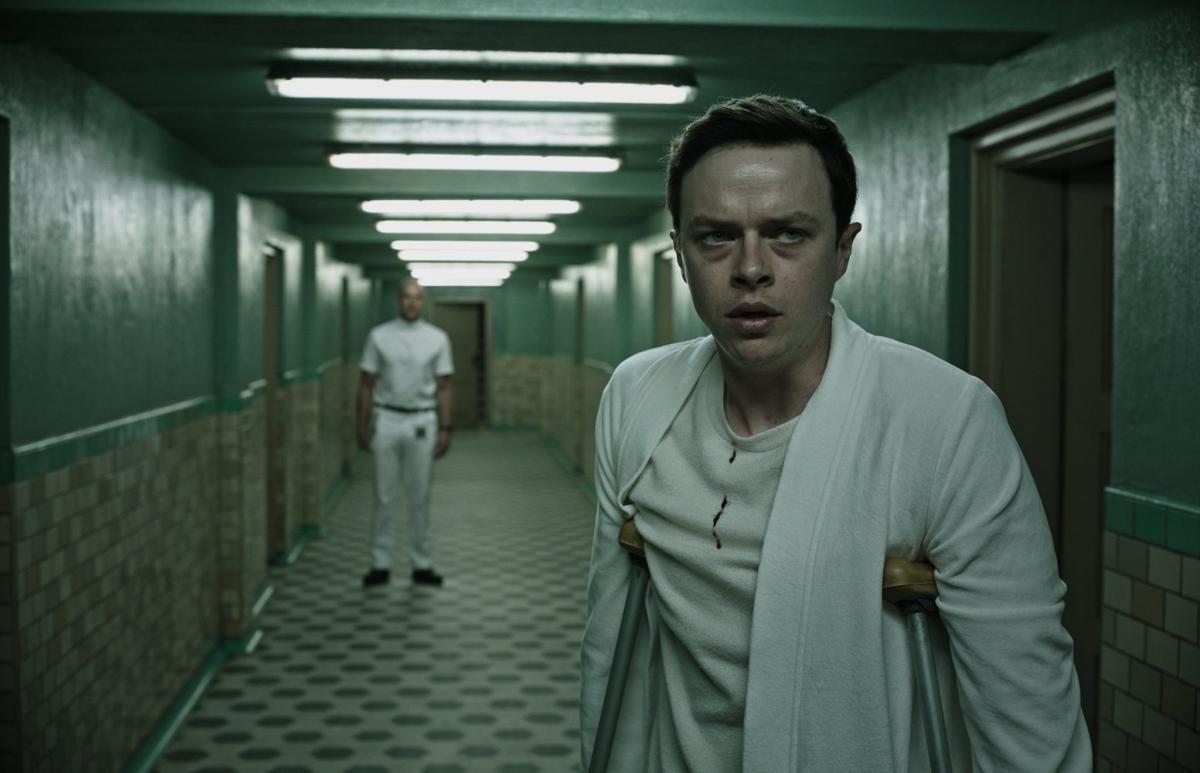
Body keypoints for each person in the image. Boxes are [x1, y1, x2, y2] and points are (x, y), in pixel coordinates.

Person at [579, 95, 1092, 771]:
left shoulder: (946, 419)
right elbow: (608, 641)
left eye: (789, 234)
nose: (752, 267)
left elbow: (1025, 706)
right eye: (716, 236)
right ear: (679, 253)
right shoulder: (638, 399)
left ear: (843, 250)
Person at [358, 279, 454, 587]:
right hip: (386, 418)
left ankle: (422, 564)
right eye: (406, 297)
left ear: (423, 302)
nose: (412, 303)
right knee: (384, 494)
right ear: (398, 300)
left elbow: (444, 387)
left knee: (419, 495)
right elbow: (366, 384)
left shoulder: (437, 338)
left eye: (417, 298)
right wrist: (361, 424)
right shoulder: (379, 336)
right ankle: (380, 563)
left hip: (422, 419)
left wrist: (446, 427)